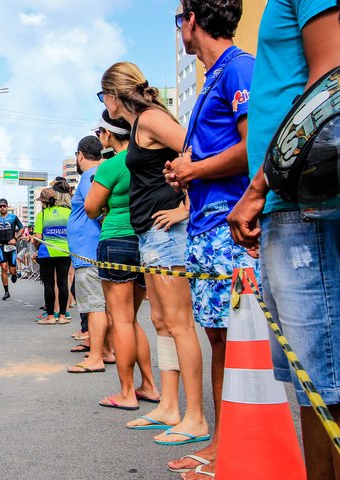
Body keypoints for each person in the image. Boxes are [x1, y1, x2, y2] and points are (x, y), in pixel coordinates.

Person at [227, 2, 340, 478]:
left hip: (304, 202)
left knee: (328, 383)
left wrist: (258, 189)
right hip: (288, 204)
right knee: (313, 385)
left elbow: (332, 82)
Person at [163, 1, 255, 475]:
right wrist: (185, 170)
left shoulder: (239, 68)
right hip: (205, 226)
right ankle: (224, 442)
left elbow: (255, 148)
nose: (180, 27)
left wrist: (194, 169)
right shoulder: (213, 77)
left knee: (235, 341)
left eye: (180, 17)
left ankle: (233, 448)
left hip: (228, 226)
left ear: (193, 20)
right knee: (220, 338)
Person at [100, 62, 208, 444]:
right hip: (149, 234)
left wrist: (186, 208)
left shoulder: (149, 118)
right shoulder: (137, 126)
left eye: (102, 95)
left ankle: (195, 418)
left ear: (113, 95)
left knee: (179, 324)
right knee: (161, 322)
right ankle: (169, 407)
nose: (103, 103)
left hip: (168, 234)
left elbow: (197, 150)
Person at [85, 110, 161, 415]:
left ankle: (127, 392)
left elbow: (91, 208)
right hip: (145, 240)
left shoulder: (114, 164)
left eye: (100, 132)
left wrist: (105, 205)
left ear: (108, 134)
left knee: (121, 320)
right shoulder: (147, 159)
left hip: (117, 239)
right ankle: (150, 385)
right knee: (133, 319)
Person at [66, 135, 114, 373]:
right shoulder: (99, 174)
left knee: (95, 306)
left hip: (88, 253)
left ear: (80, 155)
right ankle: (105, 350)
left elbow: (96, 207)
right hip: (92, 251)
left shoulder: (88, 177)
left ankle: (97, 356)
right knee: (102, 304)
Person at [33, 183, 72, 325]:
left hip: (46, 253)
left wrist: (36, 248)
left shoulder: (42, 215)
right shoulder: (68, 212)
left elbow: (37, 238)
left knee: (49, 284)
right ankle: (62, 316)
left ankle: (50, 317)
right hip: (64, 251)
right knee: (63, 283)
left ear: (44, 202)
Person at [0, 198, 24, 301]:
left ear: (7, 206)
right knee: (4, 268)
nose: (2, 208)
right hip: (1, 246)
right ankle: (6, 292)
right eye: (0, 206)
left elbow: (22, 228)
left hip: (11, 246)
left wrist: (16, 238)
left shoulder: (13, 217)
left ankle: (14, 274)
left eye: (4, 206)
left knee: (12, 269)